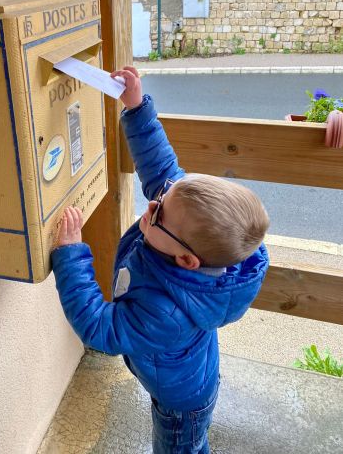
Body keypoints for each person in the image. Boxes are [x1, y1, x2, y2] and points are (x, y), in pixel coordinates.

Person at [51, 66, 270, 454]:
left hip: (181, 403)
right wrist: (136, 107)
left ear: (186, 260)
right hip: (179, 372)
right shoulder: (182, 225)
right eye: (164, 195)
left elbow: (99, 326)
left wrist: (70, 257)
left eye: (157, 213)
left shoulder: (165, 312)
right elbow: (161, 168)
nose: (151, 204)